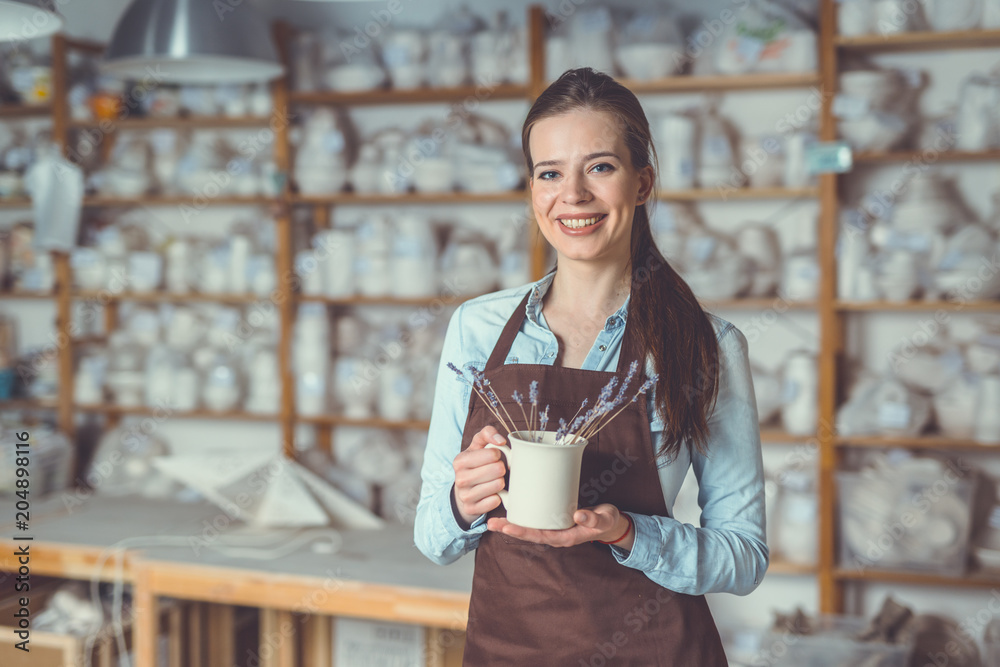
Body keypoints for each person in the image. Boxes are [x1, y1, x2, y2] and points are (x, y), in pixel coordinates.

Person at [414, 67, 768, 665]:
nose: (572, 195)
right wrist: (462, 501)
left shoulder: (705, 345)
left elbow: (744, 555)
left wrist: (628, 533)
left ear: (643, 182)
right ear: (532, 189)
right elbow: (432, 535)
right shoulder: (477, 329)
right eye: (549, 173)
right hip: (508, 650)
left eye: (600, 167)